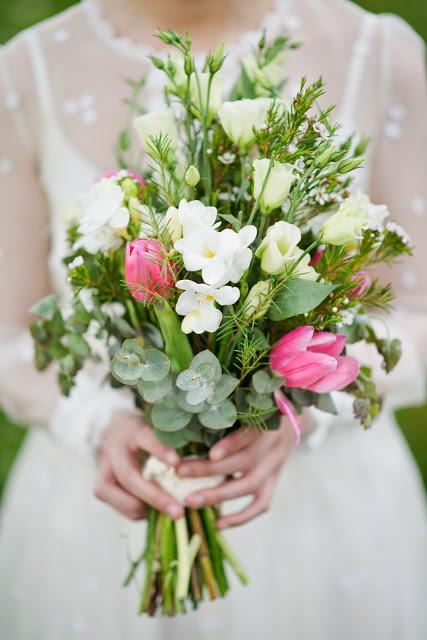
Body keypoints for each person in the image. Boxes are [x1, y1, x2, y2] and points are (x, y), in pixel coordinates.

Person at [0, 0, 426, 638]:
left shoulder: (377, 51)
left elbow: (416, 314)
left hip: (323, 517)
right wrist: (94, 423)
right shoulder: (25, 70)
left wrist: (299, 409)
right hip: (96, 512)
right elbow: (10, 335)